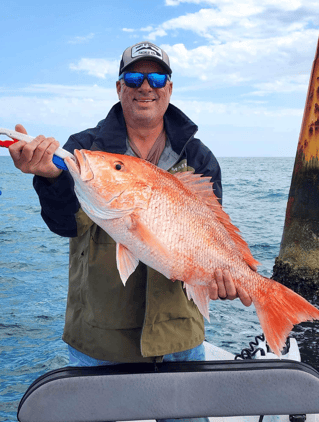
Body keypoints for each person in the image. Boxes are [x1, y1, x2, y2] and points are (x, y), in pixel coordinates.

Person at [10, 41, 252, 421]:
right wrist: (50, 180)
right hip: (99, 339)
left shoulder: (200, 157)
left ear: (169, 88)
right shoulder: (86, 147)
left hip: (180, 338)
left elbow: (210, 235)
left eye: (156, 77)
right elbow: (63, 224)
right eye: (134, 77)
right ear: (119, 87)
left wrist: (222, 278)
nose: (146, 86)